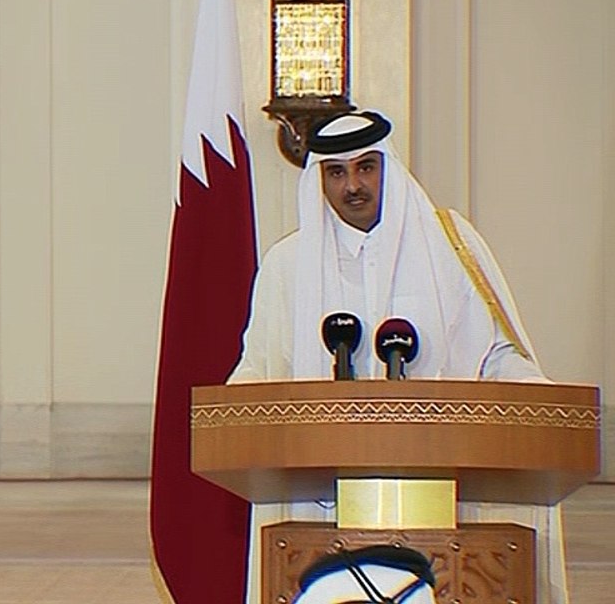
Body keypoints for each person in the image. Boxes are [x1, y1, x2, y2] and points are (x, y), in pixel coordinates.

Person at [226, 111, 567, 604]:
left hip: (448, 485)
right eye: (336, 172)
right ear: (318, 178)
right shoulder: (288, 264)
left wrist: (541, 406)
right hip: (324, 498)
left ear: (390, 167)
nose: (353, 186)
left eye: (367, 167)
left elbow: (495, 356)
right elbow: (258, 367)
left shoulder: (451, 245)